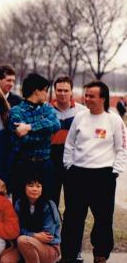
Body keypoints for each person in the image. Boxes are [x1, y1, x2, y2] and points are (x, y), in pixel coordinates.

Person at [56, 81, 127, 263]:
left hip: (103, 176)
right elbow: (69, 145)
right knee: (72, 217)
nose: (86, 98)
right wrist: (69, 166)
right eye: (86, 95)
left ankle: (100, 258)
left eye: (91, 96)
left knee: (103, 219)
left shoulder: (114, 121)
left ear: (102, 98)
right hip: (78, 174)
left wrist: (115, 171)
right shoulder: (80, 118)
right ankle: (68, 255)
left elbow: (122, 149)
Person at [0, 176, 61, 263]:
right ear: (24, 187)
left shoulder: (49, 205)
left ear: (43, 188)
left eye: (38, 186)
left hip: (49, 248)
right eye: (30, 185)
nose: (34, 189)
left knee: (23, 240)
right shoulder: (19, 204)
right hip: (26, 245)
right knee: (5, 262)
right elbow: (16, 229)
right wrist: (34, 235)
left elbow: (48, 236)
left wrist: (28, 235)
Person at [8, 73, 60, 203]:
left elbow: (56, 125)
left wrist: (30, 127)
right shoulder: (16, 111)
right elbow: (24, 140)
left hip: (45, 165)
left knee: (47, 203)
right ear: (37, 91)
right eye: (45, 91)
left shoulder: (47, 108)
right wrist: (45, 134)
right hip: (25, 165)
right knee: (21, 203)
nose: (46, 94)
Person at [50, 76, 86, 206]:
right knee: (51, 200)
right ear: (55, 91)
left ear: (71, 91)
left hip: (73, 159)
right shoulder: (46, 110)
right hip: (52, 159)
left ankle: (70, 227)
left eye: (66, 90)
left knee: (73, 200)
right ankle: (51, 226)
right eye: (59, 90)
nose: (62, 94)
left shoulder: (82, 111)